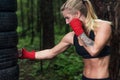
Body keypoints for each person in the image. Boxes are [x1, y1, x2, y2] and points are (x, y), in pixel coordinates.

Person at [19, 0, 120, 80]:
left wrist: (79, 32)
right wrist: (27, 55)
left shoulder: (103, 27)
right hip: (85, 78)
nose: (66, 22)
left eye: (67, 18)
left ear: (77, 14)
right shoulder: (71, 36)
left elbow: (94, 51)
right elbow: (51, 52)